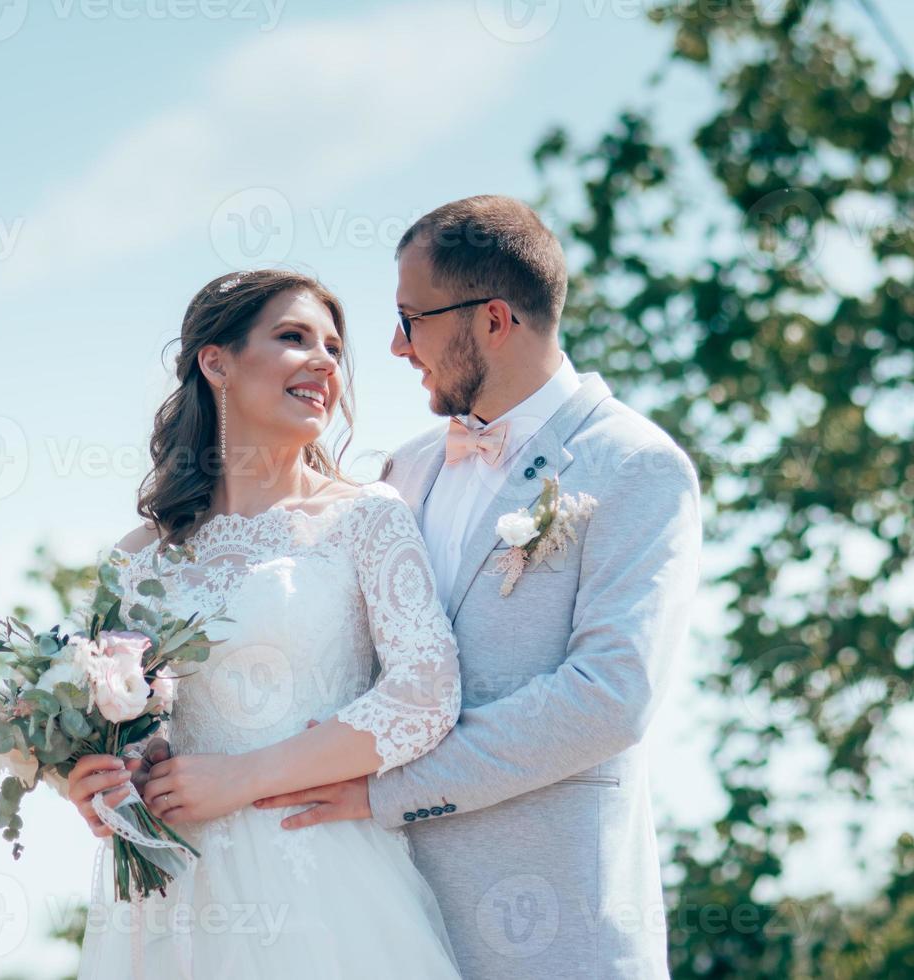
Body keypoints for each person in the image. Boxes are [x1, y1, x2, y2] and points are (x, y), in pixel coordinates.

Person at [250, 196, 702, 978]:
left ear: (493, 320)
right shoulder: (404, 471)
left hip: (559, 936)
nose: (394, 345)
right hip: (388, 928)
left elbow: (607, 697)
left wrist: (385, 788)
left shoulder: (636, 466)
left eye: (411, 317)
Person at [70, 268, 464, 978]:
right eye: (293, 338)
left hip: (325, 881)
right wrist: (95, 777)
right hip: (175, 894)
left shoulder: (366, 518)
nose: (324, 362)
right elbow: (112, 721)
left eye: (335, 349)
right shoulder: (136, 560)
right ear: (215, 361)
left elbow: (425, 693)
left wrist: (243, 778)